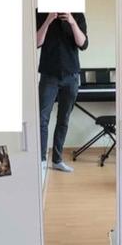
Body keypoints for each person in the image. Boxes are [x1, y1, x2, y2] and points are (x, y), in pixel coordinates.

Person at [36, 10, 88, 172]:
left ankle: (57, 160)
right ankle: (41, 160)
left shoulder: (77, 14)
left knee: (63, 119)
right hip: (48, 75)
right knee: (42, 119)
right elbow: (36, 43)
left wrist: (72, 22)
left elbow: (83, 44)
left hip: (71, 76)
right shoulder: (41, 13)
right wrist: (48, 20)